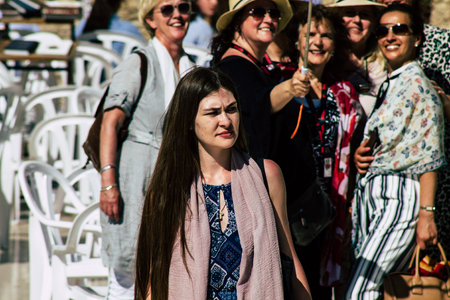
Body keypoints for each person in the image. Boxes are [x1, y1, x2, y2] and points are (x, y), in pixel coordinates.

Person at [134, 67, 311, 300]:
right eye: (212, 112)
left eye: (232, 109)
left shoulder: (267, 174)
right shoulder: (169, 190)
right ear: (188, 121)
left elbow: (289, 256)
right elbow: (152, 276)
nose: (226, 121)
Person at [345, 4, 446, 299]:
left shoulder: (420, 87)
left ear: (416, 38)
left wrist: (427, 216)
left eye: (399, 29)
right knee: (376, 289)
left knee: (360, 291)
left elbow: (430, 157)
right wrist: (360, 155)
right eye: (382, 30)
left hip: (399, 198)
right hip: (374, 198)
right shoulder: (393, 83)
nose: (390, 36)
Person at [98, 0, 194, 298]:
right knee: (128, 272)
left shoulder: (191, 66)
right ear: (151, 20)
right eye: (167, 9)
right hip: (137, 176)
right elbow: (109, 123)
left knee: (168, 268)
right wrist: (108, 183)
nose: (177, 14)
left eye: (184, 7)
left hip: (175, 179)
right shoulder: (139, 62)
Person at [288, 5, 364, 297]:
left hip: (327, 210)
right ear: (297, 41)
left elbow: (353, 149)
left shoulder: (345, 93)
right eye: (311, 34)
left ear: (335, 46)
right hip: (290, 205)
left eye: (326, 36)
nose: (318, 42)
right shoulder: (280, 81)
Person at [328, 0, 386, 116]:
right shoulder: (323, 60)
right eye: (349, 13)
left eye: (365, 15)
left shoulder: (386, 64)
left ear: (374, 23)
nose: (357, 20)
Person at [75, 0, 145, 54]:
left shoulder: (81, 26)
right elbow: (145, 53)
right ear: (120, 3)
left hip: (84, 72)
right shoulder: (129, 29)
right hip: (120, 71)